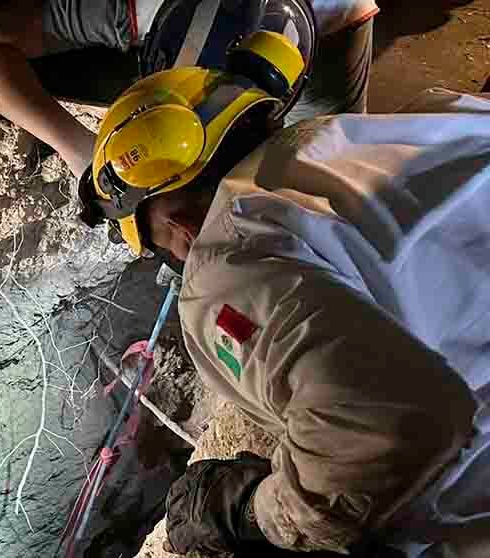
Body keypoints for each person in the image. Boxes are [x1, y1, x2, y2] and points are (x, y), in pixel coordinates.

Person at [78, 27, 489, 558]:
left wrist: (251, 510)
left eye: (161, 245)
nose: (177, 259)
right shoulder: (415, 123)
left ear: (179, 224)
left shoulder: (226, 262)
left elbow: (395, 423)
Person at [0, 0, 377, 181]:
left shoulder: (329, 26)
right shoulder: (139, 7)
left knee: (330, 168)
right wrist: (80, 150)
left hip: (327, 33)